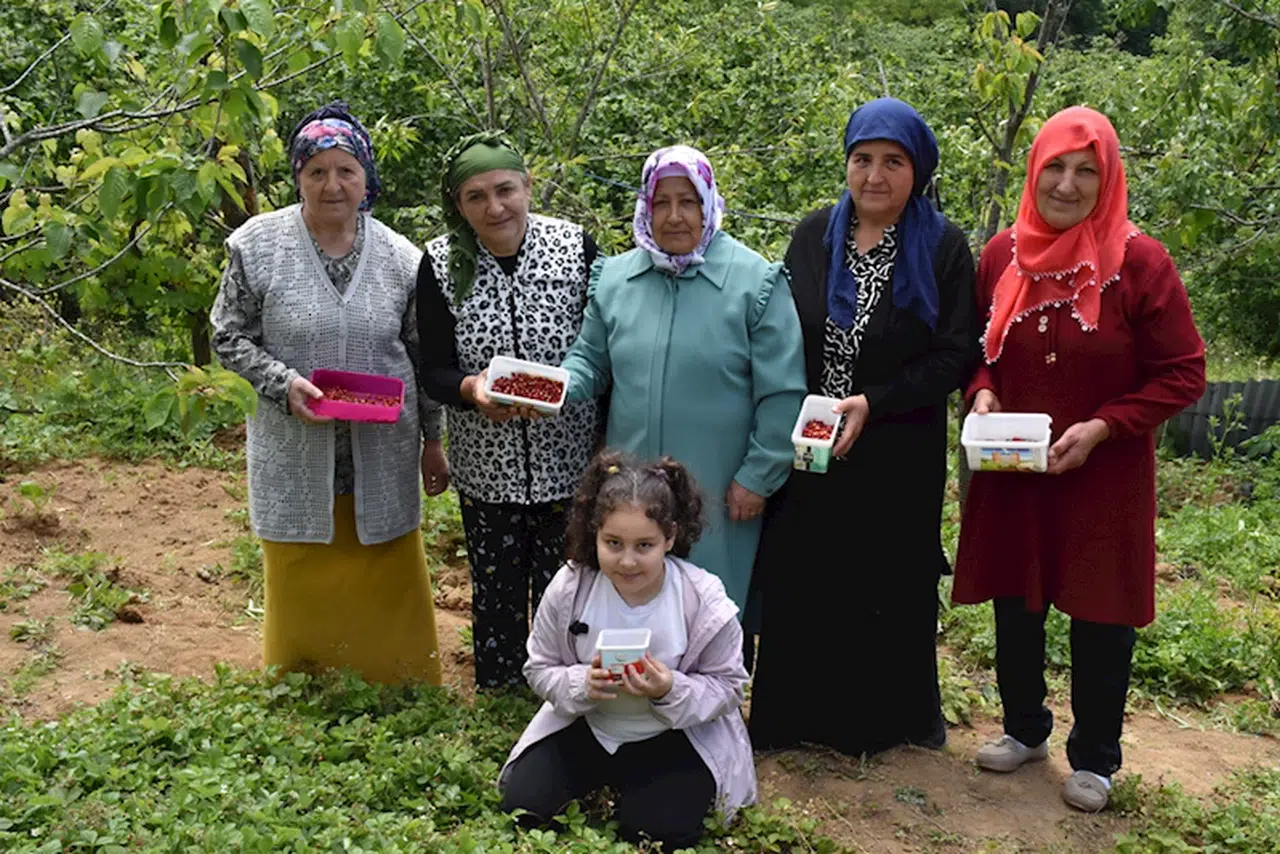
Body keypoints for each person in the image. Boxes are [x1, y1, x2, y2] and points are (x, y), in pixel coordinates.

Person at [952, 106, 1206, 812]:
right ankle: (1024, 727)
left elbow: (1183, 372)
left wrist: (1104, 426)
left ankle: (1095, 756)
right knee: (1016, 600)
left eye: (1085, 171)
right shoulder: (1004, 254)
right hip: (1015, 469)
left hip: (1104, 473)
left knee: (1101, 612)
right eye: (1054, 168)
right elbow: (980, 354)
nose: (1066, 185)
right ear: (1034, 172)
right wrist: (982, 394)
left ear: (1108, 177)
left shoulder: (1139, 262)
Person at [748, 98, 979, 757]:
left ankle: (879, 727)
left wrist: (872, 402)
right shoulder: (815, 234)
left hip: (896, 444)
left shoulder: (942, 247)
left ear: (918, 170)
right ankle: (795, 720)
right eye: (862, 159)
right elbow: (780, 328)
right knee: (806, 570)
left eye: (892, 162)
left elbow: (954, 354)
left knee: (886, 575)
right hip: (814, 439)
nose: (875, 175)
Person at [210, 101, 446, 684]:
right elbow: (226, 334)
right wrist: (281, 384)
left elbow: (423, 357)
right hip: (294, 443)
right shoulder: (257, 246)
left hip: (382, 446)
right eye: (316, 171)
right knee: (302, 563)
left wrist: (433, 442)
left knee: (384, 560)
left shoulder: (401, 257)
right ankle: (304, 676)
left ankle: (398, 676)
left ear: (367, 177)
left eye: (346, 170)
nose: (332, 185)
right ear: (297, 178)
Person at [549, 145, 806, 633]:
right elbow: (590, 360)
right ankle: (628, 706)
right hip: (634, 487)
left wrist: (758, 475)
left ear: (708, 203)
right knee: (637, 594)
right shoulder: (617, 280)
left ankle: (711, 707)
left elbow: (783, 392)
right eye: (660, 202)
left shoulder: (755, 282)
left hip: (721, 486)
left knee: (710, 609)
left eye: (687, 201)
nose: (672, 217)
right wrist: (554, 387)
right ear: (644, 206)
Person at [417, 131, 602, 690]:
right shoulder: (441, 263)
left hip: (568, 458)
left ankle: (566, 686)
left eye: (505, 189)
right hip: (486, 465)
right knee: (495, 585)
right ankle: (498, 686)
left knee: (567, 586)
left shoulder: (576, 248)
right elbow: (433, 368)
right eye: (475, 196)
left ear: (528, 186)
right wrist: (471, 390)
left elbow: (605, 343)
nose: (494, 207)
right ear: (458, 205)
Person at [498, 451, 756, 850]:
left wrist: (669, 688)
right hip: (588, 725)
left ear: (670, 537)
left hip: (671, 734)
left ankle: (644, 790)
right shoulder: (571, 587)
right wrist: (581, 682)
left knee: (659, 830)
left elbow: (729, 686)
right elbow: (539, 667)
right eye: (613, 543)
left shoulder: (703, 600)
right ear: (594, 534)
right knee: (523, 802)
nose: (627, 560)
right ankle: (607, 777)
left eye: (645, 545)